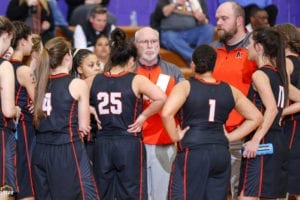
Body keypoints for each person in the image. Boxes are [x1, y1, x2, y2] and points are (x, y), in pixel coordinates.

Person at [161, 44, 262, 200]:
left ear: (193, 64)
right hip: (221, 153)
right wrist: (230, 137)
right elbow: (256, 117)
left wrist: (174, 136)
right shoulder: (230, 89)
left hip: (193, 151)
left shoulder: (185, 86)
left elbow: (166, 113)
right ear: (214, 65)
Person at [85, 28, 166, 199]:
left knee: (102, 192)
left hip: (103, 142)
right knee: (132, 192)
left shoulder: (94, 79)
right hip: (128, 141)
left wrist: (91, 110)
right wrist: (143, 116)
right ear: (130, 60)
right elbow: (161, 98)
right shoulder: (137, 79)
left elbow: (73, 93)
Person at [31, 37, 99, 199]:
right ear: (68, 56)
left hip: (40, 150)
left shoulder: (40, 84)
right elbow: (84, 126)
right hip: (66, 149)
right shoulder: (76, 84)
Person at [133, 26, 185, 200]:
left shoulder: (174, 72)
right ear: (135, 45)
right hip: (135, 144)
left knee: (161, 196)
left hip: (163, 142)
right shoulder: (129, 71)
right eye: (144, 42)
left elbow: (184, 106)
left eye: (153, 41)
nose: (149, 46)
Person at [212, 2, 257, 199]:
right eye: (217, 19)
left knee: (241, 192)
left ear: (239, 21)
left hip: (242, 134)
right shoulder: (213, 51)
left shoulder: (254, 52)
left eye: (224, 19)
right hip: (214, 134)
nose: (218, 23)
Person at [238, 28, 289, 199]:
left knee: (247, 196)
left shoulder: (260, 74)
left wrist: (255, 139)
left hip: (263, 142)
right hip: (278, 139)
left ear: (259, 47)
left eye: (250, 44)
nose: (247, 48)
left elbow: (272, 108)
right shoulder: (279, 75)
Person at [10, 20, 36, 200]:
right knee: (26, 182)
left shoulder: (4, 66)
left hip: (7, 129)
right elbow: (39, 103)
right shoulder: (24, 71)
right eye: (31, 40)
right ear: (23, 42)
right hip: (24, 130)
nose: (33, 44)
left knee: (9, 179)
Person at [274, 23, 300, 200]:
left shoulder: (287, 62)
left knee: (287, 177)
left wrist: (279, 113)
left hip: (293, 124)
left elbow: (289, 90)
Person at [151, 0, 215, 63]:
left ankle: (200, 56)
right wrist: (175, 4)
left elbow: (206, 20)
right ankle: (197, 59)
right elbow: (162, 13)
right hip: (172, 33)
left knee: (208, 28)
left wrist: (202, 19)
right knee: (168, 37)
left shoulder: (198, 1)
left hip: (192, 33)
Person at [0, 16, 20, 198]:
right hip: (1, 136)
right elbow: (7, 110)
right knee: (4, 190)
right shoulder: (5, 66)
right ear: (6, 35)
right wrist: (16, 110)